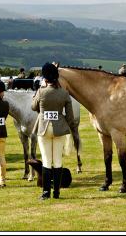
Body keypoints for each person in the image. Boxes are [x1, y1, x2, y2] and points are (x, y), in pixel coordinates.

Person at [31, 62, 75, 200]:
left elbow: (33, 107)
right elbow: (70, 116)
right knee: (57, 161)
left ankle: (45, 193)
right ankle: (56, 192)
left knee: (46, 160)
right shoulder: (64, 93)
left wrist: (40, 91)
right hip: (59, 127)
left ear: (45, 78)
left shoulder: (41, 91)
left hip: (43, 128)